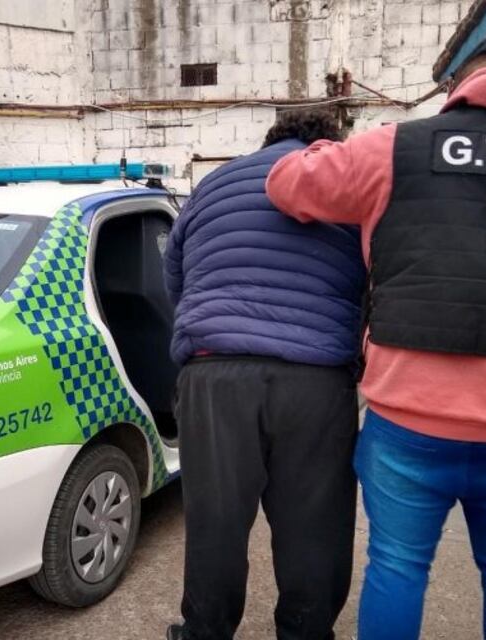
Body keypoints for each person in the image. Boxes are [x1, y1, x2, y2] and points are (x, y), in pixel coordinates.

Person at [266, 45, 486, 640]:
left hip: (410, 424)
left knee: (397, 570)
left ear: (456, 88)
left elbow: (286, 185)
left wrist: (324, 149)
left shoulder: (395, 146)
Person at [164, 109, 366, 640]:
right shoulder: (348, 184)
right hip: (316, 379)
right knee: (314, 525)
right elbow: (375, 277)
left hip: (214, 373)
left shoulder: (213, 184)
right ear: (328, 144)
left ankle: (203, 632)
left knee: (215, 522)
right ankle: (305, 632)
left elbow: (175, 275)